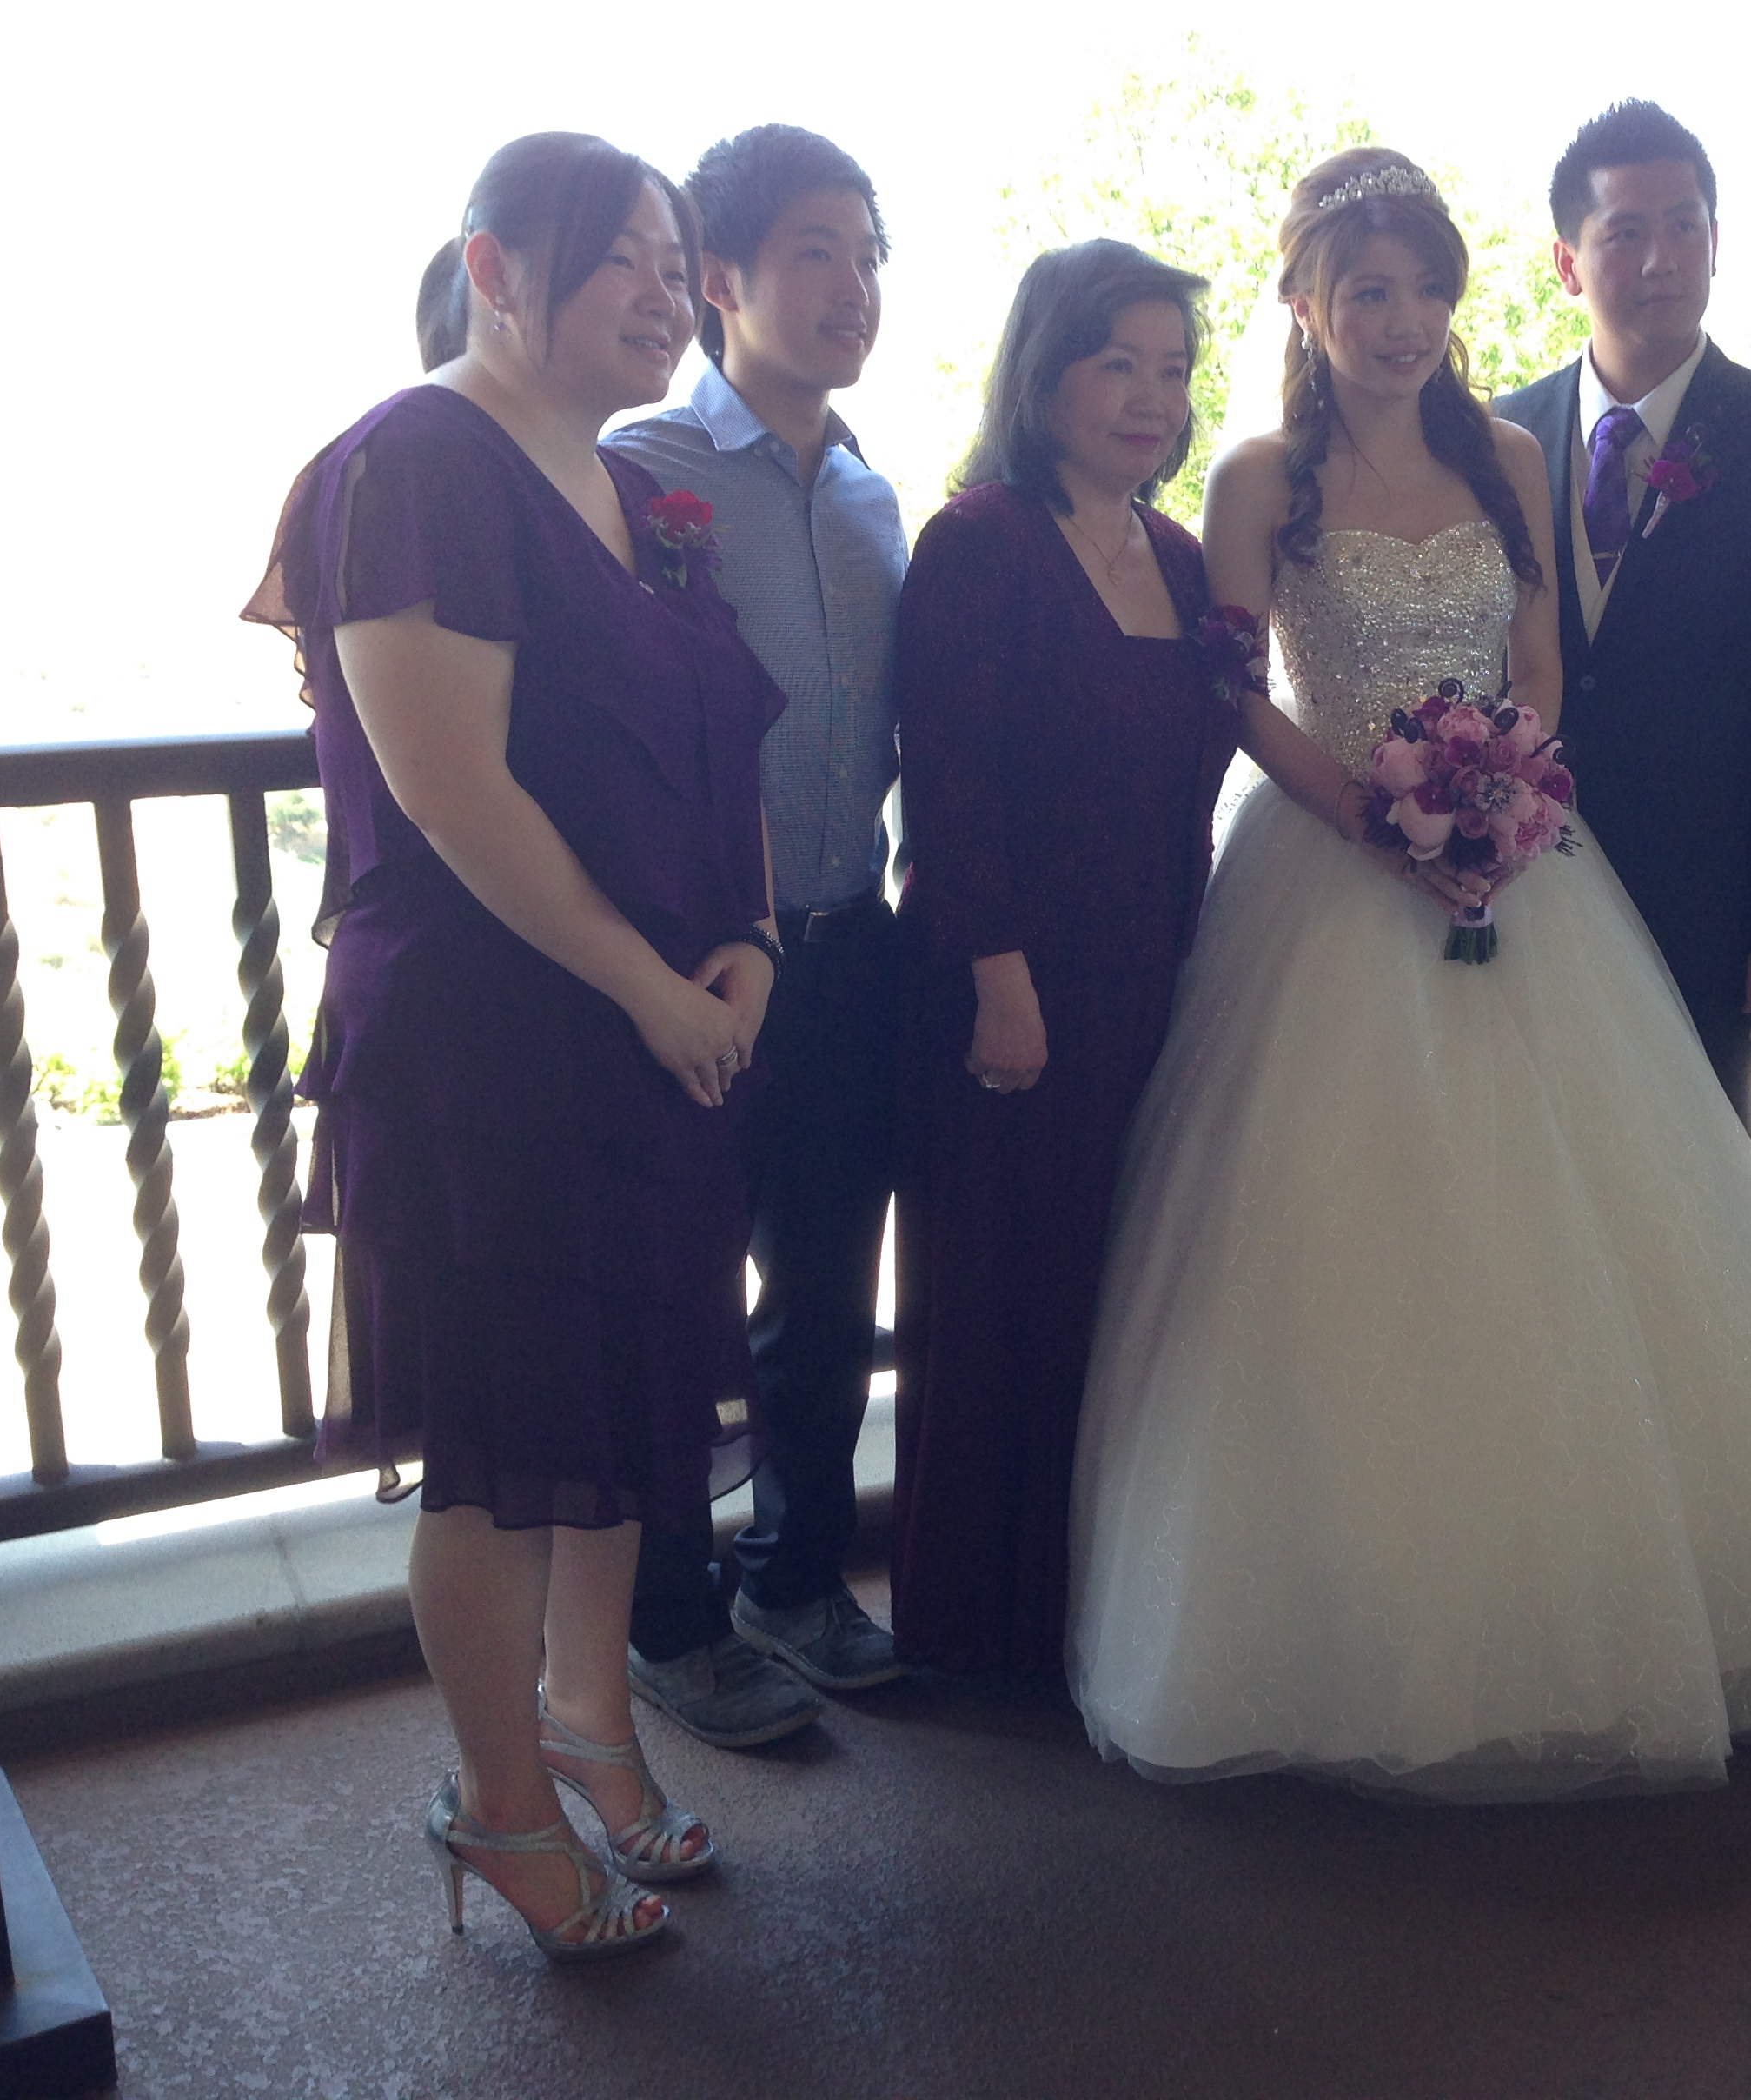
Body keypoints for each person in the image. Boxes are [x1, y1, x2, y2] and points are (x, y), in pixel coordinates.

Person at [1067, 148, 1751, 1799]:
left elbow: (1539, 655)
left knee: (1586, 1219)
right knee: (1333, 1230)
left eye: (1426, 288)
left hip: (1523, 864)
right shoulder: (1256, 477)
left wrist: (1499, 789)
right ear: (1304, 304)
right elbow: (1231, 690)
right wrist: (1371, 812)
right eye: (1366, 291)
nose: (1400, 319)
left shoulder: (1505, 453)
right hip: (1326, 874)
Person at [245, 132, 787, 1957]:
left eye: (675, 262)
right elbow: (449, 787)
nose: (664, 293)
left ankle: (591, 1732)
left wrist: (748, 942)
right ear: (492, 267)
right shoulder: (418, 461)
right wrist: (648, 986)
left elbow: (723, 747)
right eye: (623, 257)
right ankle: (498, 1802)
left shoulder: (639, 489)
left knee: (626, 1422)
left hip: (657, 1030)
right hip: (490, 1050)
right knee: (499, 1451)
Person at [888, 241, 1245, 1677]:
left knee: (1115, 1295)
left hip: (1151, 971)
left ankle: (1086, 1614)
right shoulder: (977, 542)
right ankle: (978, 1632)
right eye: (1119, 364)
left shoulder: (1178, 555)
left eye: (1173, 370)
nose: (1152, 397)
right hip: (1012, 981)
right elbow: (950, 786)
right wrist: (1001, 981)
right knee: (1001, 1299)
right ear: (1045, 378)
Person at [607, 124, 907, 1741]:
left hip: (848, 948)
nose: (851, 285)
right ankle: (664, 1618)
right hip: (698, 964)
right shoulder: (635, 464)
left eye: (867, 253)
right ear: (718, 278)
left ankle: (792, 1580)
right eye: (813, 251)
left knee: (825, 1296)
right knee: (671, 1302)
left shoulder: (871, 490)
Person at [1490, 100, 1751, 1131]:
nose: (1661, 259)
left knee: (1690, 1150)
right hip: (1521, 875)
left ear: (1715, 241)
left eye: (1684, 226)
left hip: (1709, 894)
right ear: (1567, 263)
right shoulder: (1501, 433)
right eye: (1625, 232)